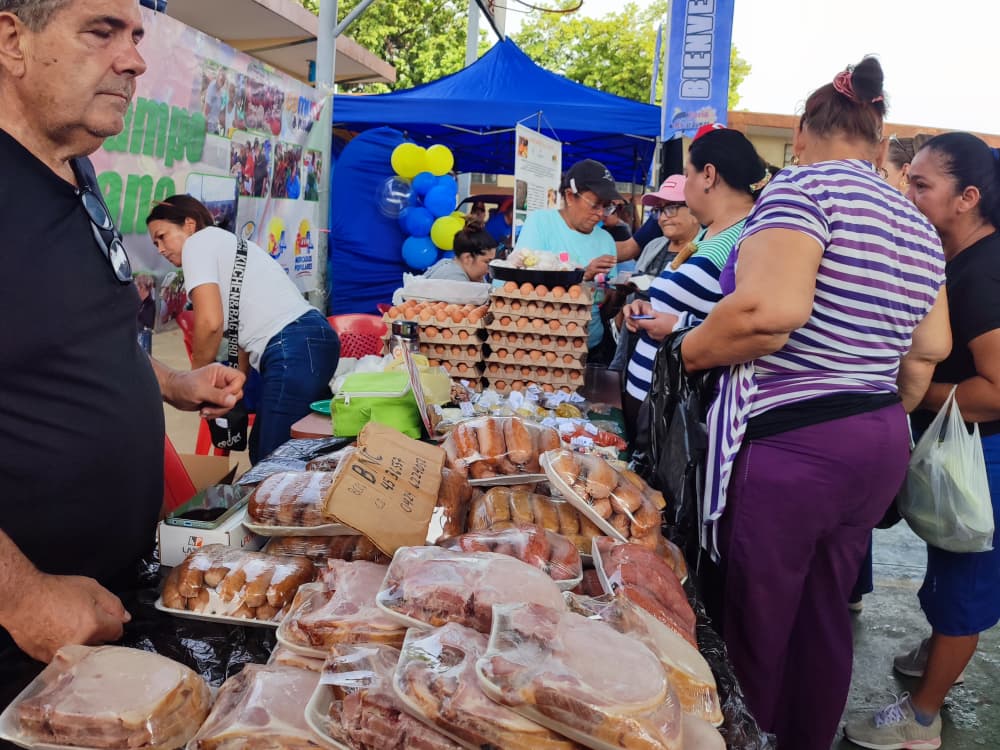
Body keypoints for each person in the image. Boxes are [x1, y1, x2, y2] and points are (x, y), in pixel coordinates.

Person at [678, 57, 950, 750]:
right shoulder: (915, 221)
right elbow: (929, 349)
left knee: (758, 622)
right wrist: (874, 410)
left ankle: (747, 738)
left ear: (801, 133)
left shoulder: (801, 191)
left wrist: (690, 351)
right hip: (876, 436)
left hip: (796, 446)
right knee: (826, 614)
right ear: (879, 138)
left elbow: (768, 313)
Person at [0, 0, 245, 696]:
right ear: (13, 41)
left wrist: (170, 383)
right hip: (26, 633)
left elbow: (79, 339)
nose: (134, 60)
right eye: (101, 32)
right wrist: (22, 597)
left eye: (135, 36)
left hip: (113, 597)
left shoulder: (78, 174)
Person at [844, 132, 1000, 749]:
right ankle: (939, 650)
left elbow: (997, 389)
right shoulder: (955, 258)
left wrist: (909, 387)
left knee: (964, 578)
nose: (907, 194)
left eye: (921, 185)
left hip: (982, 453)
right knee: (945, 558)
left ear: (967, 197)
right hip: (959, 446)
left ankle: (923, 718)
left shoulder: (983, 274)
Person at [147, 195, 340, 464]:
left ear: (189, 224)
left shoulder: (196, 244)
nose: (160, 249)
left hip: (293, 345)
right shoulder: (225, 243)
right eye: (155, 243)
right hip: (309, 339)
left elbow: (209, 323)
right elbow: (240, 336)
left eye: (162, 237)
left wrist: (195, 380)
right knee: (270, 449)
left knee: (270, 461)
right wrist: (231, 389)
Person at [624, 130, 768, 426]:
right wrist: (647, 310)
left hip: (677, 411)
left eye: (687, 174)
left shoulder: (747, 237)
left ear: (708, 176)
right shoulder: (709, 233)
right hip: (651, 398)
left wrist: (678, 327)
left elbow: (751, 329)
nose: (685, 184)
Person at [516, 159, 621, 355]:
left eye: (607, 207)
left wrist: (620, 293)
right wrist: (583, 275)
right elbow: (523, 287)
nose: (600, 214)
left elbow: (605, 308)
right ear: (570, 196)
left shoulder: (606, 240)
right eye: (595, 205)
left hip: (592, 347)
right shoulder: (541, 223)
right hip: (544, 348)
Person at [607, 176, 700, 373]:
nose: (663, 218)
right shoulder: (653, 246)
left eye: (671, 208)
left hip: (673, 366)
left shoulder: (705, 254)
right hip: (633, 353)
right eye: (659, 210)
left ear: (694, 209)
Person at [422, 217, 497, 282]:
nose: (489, 270)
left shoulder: (449, 265)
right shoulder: (453, 278)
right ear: (467, 258)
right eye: (487, 262)